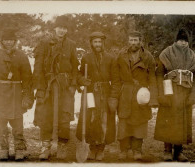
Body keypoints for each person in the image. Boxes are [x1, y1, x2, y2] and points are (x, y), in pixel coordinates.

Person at [0, 28, 34, 160]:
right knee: (1, 123)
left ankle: (20, 149)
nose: (8, 42)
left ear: (14, 41)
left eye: (11, 40)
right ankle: (4, 149)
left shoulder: (21, 55)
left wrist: (27, 96)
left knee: (17, 124)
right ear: (2, 41)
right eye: (6, 40)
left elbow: (28, 79)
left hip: (16, 94)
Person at [33, 16, 79, 160]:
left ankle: (62, 146)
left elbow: (75, 67)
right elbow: (38, 67)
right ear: (55, 28)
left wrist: (73, 85)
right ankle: (45, 147)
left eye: (64, 28)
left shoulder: (71, 45)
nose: (62, 30)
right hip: (48, 85)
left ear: (67, 30)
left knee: (64, 116)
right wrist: (40, 87)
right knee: (45, 115)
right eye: (59, 27)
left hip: (65, 86)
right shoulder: (44, 43)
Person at [110, 31, 158, 160]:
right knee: (124, 122)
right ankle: (123, 150)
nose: (133, 43)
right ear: (128, 41)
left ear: (140, 41)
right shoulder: (120, 55)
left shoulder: (148, 57)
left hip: (141, 94)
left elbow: (152, 78)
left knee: (139, 122)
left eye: (136, 40)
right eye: (131, 40)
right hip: (125, 93)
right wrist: (114, 97)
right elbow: (115, 79)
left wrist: (153, 98)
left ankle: (137, 150)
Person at [154, 27, 195, 162]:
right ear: (176, 41)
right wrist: (162, 94)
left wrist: (192, 95)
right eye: (180, 40)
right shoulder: (166, 53)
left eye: (185, 41)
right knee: (168, 121)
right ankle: (167, 150)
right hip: (169, 92)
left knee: (182, 123)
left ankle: (179, 152)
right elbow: (159, 74)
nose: (183, 43)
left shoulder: (192, 55)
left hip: (185, 93)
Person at [76, 32, 116, 161]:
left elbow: (115, 78)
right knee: (91, 119)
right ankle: (92, 148)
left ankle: (101, 149)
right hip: (91, 91)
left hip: (105, 91)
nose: (98, 44)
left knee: (104, 120)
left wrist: (113, 95)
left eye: (100, 42)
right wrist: (83, 80)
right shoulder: (86, 58)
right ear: (91, 43)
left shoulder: (110, 58)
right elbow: (79, 74)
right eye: (95, 42)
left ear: (103, 43)